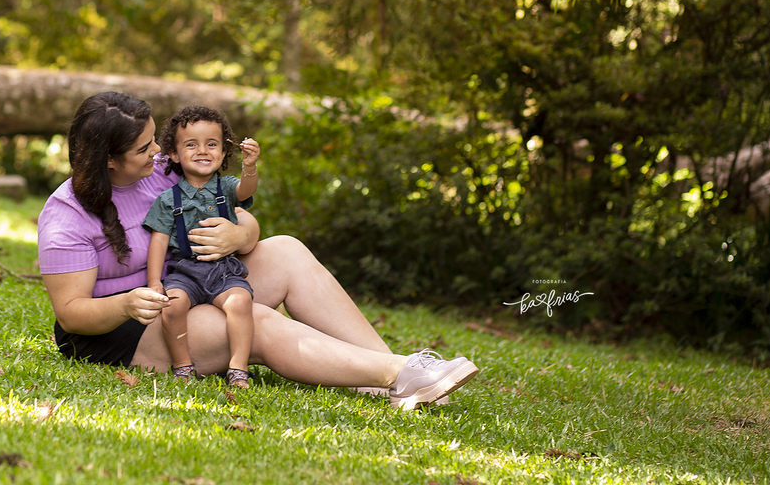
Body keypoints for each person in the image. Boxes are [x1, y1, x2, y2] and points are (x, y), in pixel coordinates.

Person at [37, 91, 478, 410]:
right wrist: (129, 303)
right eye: (143, 147)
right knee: (253, 318)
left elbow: (237, 210)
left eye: (155, 140)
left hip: (191, 279)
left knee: (285, 249)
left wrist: (241, 235)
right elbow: (71, 313)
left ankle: (389, 376)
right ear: (108, 160)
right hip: (124, 332)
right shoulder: (65, 217)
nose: (157, 152)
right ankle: (397, 374)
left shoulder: (159, 171)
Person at [142, 105, 261, 388]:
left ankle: (238, 367)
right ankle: (183, 365)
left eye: (212, 145)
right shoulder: (168, 199)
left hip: (222, 271)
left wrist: (250, 167)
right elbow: (158, 240)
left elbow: (247, 191)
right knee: (172, 307)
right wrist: (153, 282)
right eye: (191, 145)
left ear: (223, 153)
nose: (203, 151)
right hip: (185, 271)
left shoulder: (227, 187)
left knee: (241, 301)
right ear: (174, 154)